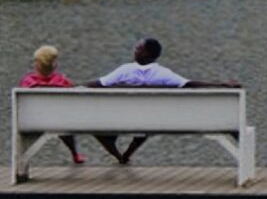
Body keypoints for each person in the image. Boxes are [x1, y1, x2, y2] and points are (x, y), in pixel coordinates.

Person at [89, 38, 239, 162]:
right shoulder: (162, 73)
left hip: (121, 119)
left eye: (138, 48)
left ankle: (120, 156)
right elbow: (188, 84)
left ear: (147, 54)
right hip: (154, 121)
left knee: (100, 127)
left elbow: (98, 84)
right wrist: (221, 84)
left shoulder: (125, 70)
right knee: (146, 122)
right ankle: (126, 155)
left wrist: (75, 87)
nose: (135, 50)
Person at [17, 46, 92, 164]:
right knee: (63, 123)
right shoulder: (62, 81)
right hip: (61, 120)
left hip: (33, 122)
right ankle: (75, 153)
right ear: (55, 65)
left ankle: (21, 161)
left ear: (36, 64)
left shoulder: (28, 82)